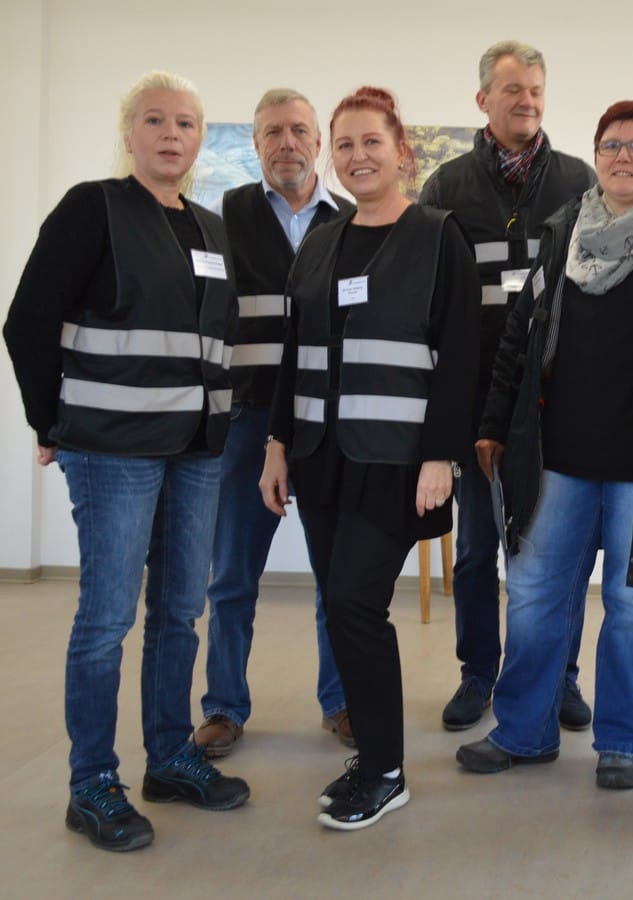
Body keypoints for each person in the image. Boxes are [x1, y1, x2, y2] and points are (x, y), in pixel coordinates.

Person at [3, 71, 250, 852]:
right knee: (106, 619)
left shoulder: (211, 231)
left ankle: (170, 755)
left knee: (180, 610)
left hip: (197, 452)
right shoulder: (93, 208)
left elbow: (212, 348)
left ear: (200, 138)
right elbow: (28, 320)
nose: (171, 134)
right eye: (155, 120)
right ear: (129, 132)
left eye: (185, 122)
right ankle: (92, 783)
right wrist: (51, 418)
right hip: (112, 451)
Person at [260, 86, 479, 831]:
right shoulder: (321, 240)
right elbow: (295, 355)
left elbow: (461, 358)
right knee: (341, 606)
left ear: (401, 152)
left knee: (355, 604)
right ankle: (374, 755)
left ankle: (386, 771)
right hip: (322, 458)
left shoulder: (437, 235)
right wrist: (277, 444)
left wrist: (442, 457)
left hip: (396, 460)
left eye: (371, 142)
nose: (357, 156)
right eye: (344, 144)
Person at [455, 101, 633, 789]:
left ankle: (622, 742)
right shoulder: (563, 232)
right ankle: (523, 732)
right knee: (531, 597)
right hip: (555, 458)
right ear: (596, 154)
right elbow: (518, 341)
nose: (623, 157)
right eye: (611, 145)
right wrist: (494, 424)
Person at [419, 40, 596, 732]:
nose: (526, 100)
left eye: (535, 90)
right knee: (475, 552)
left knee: (561, 554)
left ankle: (562, 675)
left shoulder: (580, 180)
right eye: (512, 89)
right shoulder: (447, 188)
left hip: (557, 409)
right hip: (477, 406)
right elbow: (432, 302)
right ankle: (477, 674)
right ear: (482, 100)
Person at [196, 88, 354, 759]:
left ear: (316, 140)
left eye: (298, 130)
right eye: (272, 133)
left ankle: (342, 701)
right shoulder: (220, 218)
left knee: (336, 576)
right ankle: (224, 708)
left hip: (325, 423)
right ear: (255, 144)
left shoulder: (351, 221)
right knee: (232, 574)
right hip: (246, 419)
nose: (286, 143)